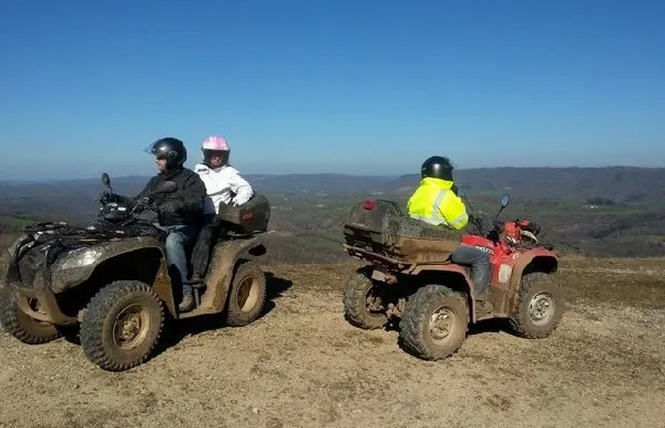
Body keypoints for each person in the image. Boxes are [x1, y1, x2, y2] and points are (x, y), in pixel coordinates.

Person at [103, 137, 207, 312]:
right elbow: (139, 201)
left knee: (172, 242)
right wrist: (116, 199)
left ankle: (185, 293)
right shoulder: (156, 182)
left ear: (172, 157)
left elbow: (197, 203)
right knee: (135, 235)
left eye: (160, 157)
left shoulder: (191, 179)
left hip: (186, 226)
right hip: (162, 224)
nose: (156, 160)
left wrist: (179, 205)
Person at [407, 156, 492, 312]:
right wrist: (458, 201)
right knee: (482, 257)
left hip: (418, 243)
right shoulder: (444, 194)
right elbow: (460, 222)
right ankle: (479, 301)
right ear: (444, 173)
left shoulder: (419, 192)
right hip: (440, 246)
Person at [190, 135, 254, 284]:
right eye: (212, 154)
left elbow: (246, 188)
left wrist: (236, 203)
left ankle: (197, 273)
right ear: (205, 154)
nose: (216, 158)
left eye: (220, 154)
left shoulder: (229, 173)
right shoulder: (198, 172)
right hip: (196, 214)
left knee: (206, 232)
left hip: (219, 217)